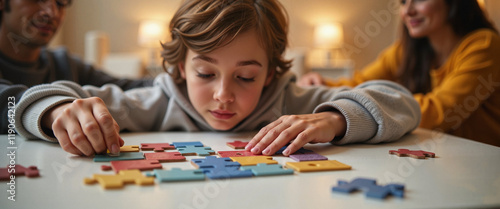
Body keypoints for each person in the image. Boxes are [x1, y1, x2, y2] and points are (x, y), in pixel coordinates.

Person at [14, 0, 420, 157]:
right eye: (206, 73)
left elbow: (400, 101)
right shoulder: (153, 101)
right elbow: (54, 97)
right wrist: (56, 111)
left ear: (270, 74)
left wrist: (334, 119)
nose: (223, 95)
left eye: (245, 76)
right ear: (178, 69)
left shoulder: (289, 102)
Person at [298, 0, 500, 147]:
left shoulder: (484, 44)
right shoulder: (406, 51)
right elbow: (359, 82)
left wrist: (369, 109)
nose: (408, 11)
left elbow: (439, 113)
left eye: (419, 0)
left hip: (480, 161)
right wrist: (321, 85)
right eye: (403, 2)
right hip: (438, 154)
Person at [0, 0, 153, 133]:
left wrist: (173, 75)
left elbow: (128, 86)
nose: (51, 12)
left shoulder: (63, 63)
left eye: (61, 3)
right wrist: (51, 110)